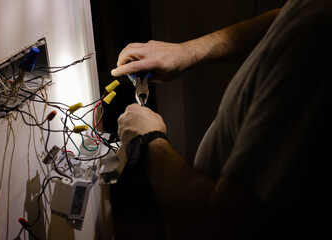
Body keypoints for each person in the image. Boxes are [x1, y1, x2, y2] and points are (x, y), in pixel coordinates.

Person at [112, 0, 332, 239]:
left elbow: (223, 224)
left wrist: (147, 141)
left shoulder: (319, 36)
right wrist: (188, 51)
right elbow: (287, 15)